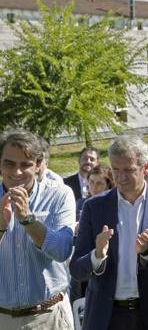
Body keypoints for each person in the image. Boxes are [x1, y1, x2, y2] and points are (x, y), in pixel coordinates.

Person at [70, 135, 148, 330]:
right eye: (116, 169)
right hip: (108, 316)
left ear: (146, 167)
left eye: (129, 170)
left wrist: (147, 251)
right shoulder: (94, 207)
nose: (120, 177)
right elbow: (76, 269)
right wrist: (97, 256)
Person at [0, 129, 76, 329]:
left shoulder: (59, 195)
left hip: (48, 316)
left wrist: (28, 220)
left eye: (25, 165)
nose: (16, 172)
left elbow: (62, 251)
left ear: (39, 165)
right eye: (9, 164)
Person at [71, 164, 116, 304]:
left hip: (105, 261)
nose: (94, 187)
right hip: (83, 258)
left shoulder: (112, 205)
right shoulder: (81, 204)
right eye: (91, 182)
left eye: (99, 183)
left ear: (108, 185)